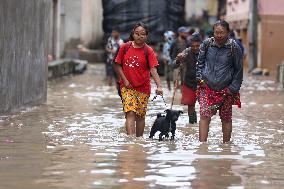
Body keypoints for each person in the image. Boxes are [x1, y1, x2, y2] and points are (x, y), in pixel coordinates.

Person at [196, 20, 243, 143]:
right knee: (204, 115)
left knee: (226, 118)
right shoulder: (206, 44)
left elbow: (239, 70)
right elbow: (199, 63)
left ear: (228, 32)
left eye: (222, 32)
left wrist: (232, 88)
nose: (219, 35)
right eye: (216, 32)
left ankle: (226, 146)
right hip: (206, 87)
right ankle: (202, 147)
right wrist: (200, 79)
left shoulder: (234, 47)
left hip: (226, 90)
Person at [113, 22, 163, 137]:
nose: (139, 36)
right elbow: (117, 65)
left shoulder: (148, 51)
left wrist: (159, 86)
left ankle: (139, 140)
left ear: (146, 36)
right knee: (130, 112)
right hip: (127, 87)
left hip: (143, 88)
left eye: (142, 34)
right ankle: (131, 141)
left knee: (140, 116)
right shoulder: (124, 47)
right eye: (137, 33)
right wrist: (124, 80)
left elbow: (153, 69)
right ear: (133, 34)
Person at [175, 32, 202, 124]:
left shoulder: (206, 51)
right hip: (189, 82)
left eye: (197, 45)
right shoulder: (186, 51)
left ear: (201, 44)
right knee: (190, 105)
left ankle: (203, 125)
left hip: (203, 83)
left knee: (205, 106)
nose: (195, 48)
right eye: (193, 45)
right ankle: (193, 124)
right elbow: (175, 63)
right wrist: (179, 59)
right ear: (190, 44)